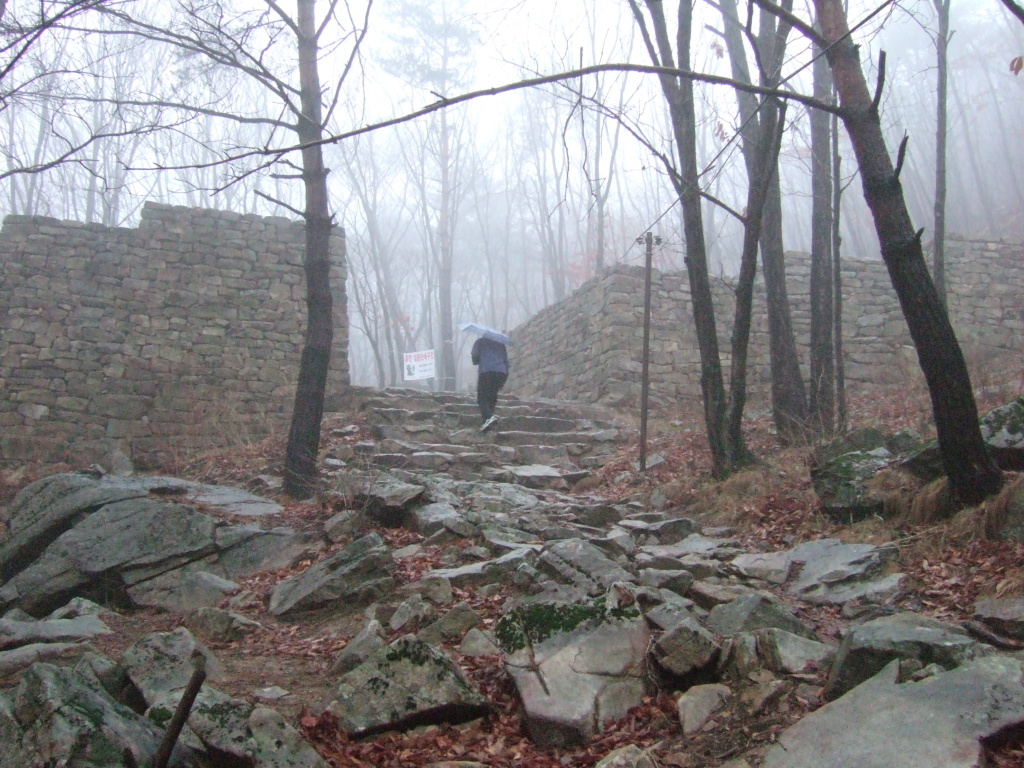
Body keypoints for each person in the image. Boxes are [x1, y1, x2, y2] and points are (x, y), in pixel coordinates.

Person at [471, 335, 509, 432]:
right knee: (492, 396)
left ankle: (489, 417)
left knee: (482, 398)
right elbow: (506, 361)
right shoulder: (500, 343)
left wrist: (478, 359)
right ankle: (487, 423)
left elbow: (474, 358)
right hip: (501, 372)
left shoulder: (479, 341)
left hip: (486, 371)